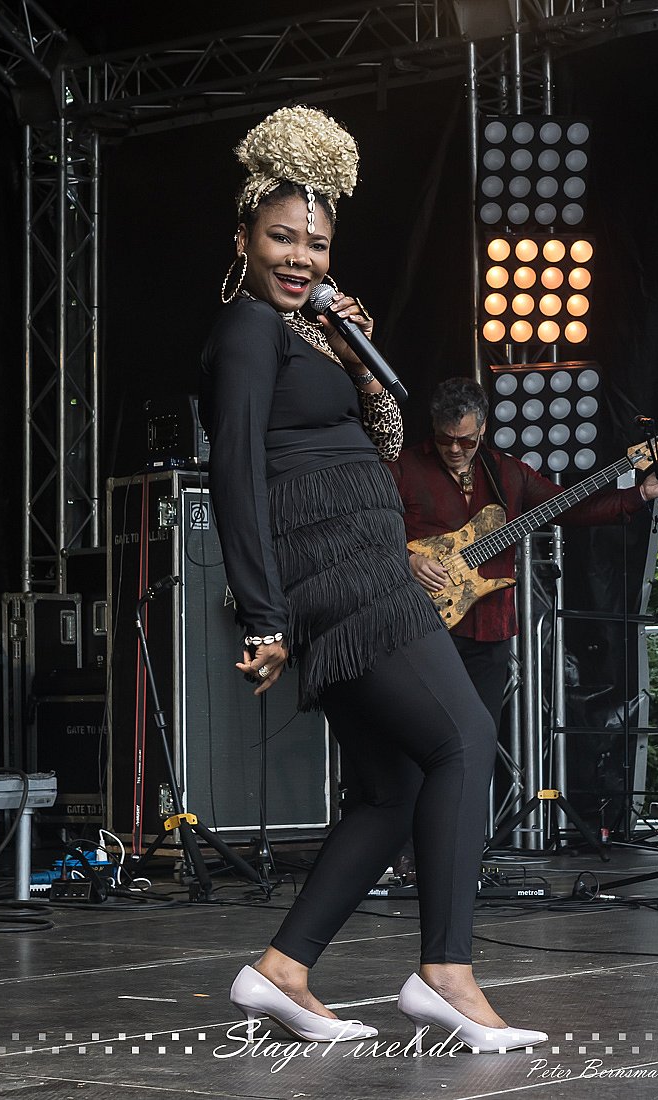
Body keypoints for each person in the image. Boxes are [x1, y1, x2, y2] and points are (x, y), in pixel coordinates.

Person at [199, 106, 546, 1052]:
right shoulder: (247, 329)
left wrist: (353, 353)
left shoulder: (305, 330)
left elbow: (385, 435)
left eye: (316, 243)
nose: (300, 257)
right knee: (465, 737)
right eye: (281, 237)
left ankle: (282, 968)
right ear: (244, 235)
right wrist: (263, 616)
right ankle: (445, 972)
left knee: (393, 787)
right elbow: (235, 470)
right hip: (339, 574)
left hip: (360, 561)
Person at [388, 376, 658, 742]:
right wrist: (408, 559)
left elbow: (572, 508)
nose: (455, 449)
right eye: (446, 440)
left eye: (466, 440)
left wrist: (640, 494)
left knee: (479, 737)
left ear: (483, 427)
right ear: (433, 426)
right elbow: (366, 532)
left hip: (489, 630)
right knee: (421, 736)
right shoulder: (403, 469)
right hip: (422, 626)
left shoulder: (508, 472)